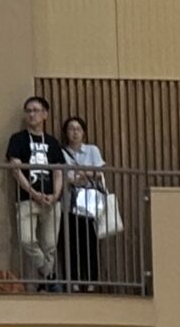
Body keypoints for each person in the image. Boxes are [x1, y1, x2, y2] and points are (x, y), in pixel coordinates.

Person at [6, 95, 66, 287]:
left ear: (45, 114)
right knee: (26, 239)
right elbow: (15, 170)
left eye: (36, 110)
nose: (31, 115)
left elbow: (58, 171)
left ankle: (46, 283)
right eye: (28, 111)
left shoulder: (52, 142)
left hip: (51, 200)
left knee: (50, 244)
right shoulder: (18, 139)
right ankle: (49, 275)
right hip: (27, 198)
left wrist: (55, 195)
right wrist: (33, 193)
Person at [59, 113, 107, 293]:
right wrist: (74, 178)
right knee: (71, 243)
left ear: (84, 132)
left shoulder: (92, 150)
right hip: (69, 202)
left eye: (78, 129)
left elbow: (99, 172)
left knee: (90, 242)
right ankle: (74, 280)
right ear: (66, 132)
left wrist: (84, 174)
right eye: (71, 129)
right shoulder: (61, 152)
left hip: (89, 202)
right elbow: (61, 176)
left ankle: (92, 280)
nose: (75, 132)